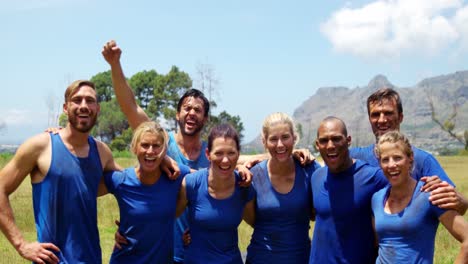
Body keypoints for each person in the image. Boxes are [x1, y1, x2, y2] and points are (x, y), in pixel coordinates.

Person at [0, 80, 119, 263]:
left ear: (98, 108)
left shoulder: (102, 152)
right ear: (65, 107)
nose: (83, 106)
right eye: (77, 100)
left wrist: (128, 227)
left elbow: (132, 184)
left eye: (90, 100)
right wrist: (21, 245)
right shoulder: (41, 146)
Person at [350, 87, 468, 214]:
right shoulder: (355, 158)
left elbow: (459, 206)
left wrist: (460, 201)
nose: (382, 120)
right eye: (375, 114)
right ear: (369, 119)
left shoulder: (422, 160)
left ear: (400, 117)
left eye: (388, 113)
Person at [372, 131, 468, 263]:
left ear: (410, 158)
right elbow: (379, 244)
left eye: (397, 158)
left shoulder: (429, 195)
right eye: (385, 160)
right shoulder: (376, 199)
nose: (391, 165)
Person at [102, 121, 191, 263]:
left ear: (164, 150)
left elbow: (211, 178)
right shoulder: (121, 180)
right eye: (144, 145)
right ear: (134, 148)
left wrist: (199, 231)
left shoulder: (176, 175)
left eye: (156, 146)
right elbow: (79, 188)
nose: (150, 151)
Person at [244, 112, 321, 264]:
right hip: (260, 259)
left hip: (301, 258)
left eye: (285, 137)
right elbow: (252, 220)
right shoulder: (253, 176)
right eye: (273, 139)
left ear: (294, 137)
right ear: (264, 142)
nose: (280, 144)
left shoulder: (310, 170)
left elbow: (316, 214)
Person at [310, 116, 389, 264]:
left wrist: (432, 186)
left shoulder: (374, 178)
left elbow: (407, 192)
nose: (330, 145)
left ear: (348, 140)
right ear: (317, 145)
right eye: (324, 141)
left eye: (336, 139)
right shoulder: (316, 177)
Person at [176, 123, 255, 263]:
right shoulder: (191, 184)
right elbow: (164, 218)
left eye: (231, 153)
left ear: (238, 154)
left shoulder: (244, 186)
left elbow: (259, 224)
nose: (225, 160)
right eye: (218, 153)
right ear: (208, 154)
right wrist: (126, 230)